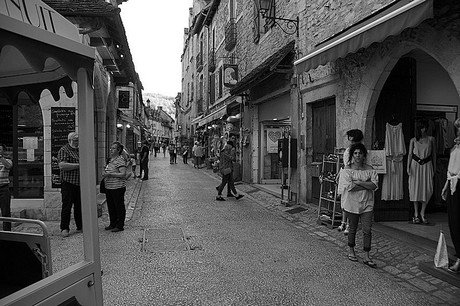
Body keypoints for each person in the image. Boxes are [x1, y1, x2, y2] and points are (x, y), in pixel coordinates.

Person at [338, 143, 378, 267]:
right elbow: (350, 187)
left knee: (367, 230)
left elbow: (374, 185)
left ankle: (366, 255)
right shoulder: (347, 170)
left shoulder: (370, 169)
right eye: (355, 153)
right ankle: (351, 251)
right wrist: (366, 184)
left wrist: (358, 182)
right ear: (352, 155)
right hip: (352, 203)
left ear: (363, 155)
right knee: (353, 228)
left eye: (360, 153)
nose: (357, 155)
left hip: (367, 204)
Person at [407, 119, 436, 224]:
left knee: (427, 188)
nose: (423, 130)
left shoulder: (431, 139)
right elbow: (410, 154)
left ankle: (423, 212)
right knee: (415, 188)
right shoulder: (413, 140)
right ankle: (416, 214)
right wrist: (408, 167)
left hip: (427, 165)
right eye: (421, 127)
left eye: (425, 127)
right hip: (415, 165)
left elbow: (434, 155)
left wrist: (435, 168)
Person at [441, 118, 460, 273]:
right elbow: (450, 170)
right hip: (454, 186)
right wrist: (446, 186)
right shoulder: (455, 149)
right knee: (453, 220)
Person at [338, 129, 364, 235]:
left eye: (350, 136)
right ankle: (344, 222)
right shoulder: (349, 149)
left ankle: (349, 224)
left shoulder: (358, 150)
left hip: (353, 175)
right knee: (344, 199)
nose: (348, 138)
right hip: (345, 174)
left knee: (351, 201)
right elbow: (345, 163)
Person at [57, 132, 82, 237]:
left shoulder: (80, 150)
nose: (77, 142)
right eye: (75, 140)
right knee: (67, 206)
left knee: (79, 206)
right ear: (69, 140)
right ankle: (64, 228)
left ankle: (80, 226)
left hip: (80, 183)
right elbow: (62, 165)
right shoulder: (64, 150)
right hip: (68, 183)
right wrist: (79, 165)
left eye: (78, 140)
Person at [102, 141, 127, 232]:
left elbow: (123, 174)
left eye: (113, 148)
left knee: (118, 206)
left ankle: (120, 225)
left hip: (118, 187)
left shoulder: (120, 160)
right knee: (111, 206)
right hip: (109, 187)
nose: (111, 150)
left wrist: (111, 174)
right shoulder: (110, 160)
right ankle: (112, 223)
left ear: (118, 150)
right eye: (110, 148)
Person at [0, 143, 13, 231]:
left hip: (3, 188)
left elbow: (8, 166)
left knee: (5, 212)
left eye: (0, 149)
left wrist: (1, 158)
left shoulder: (7, 160)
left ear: (3, 151)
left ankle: (7, 232)